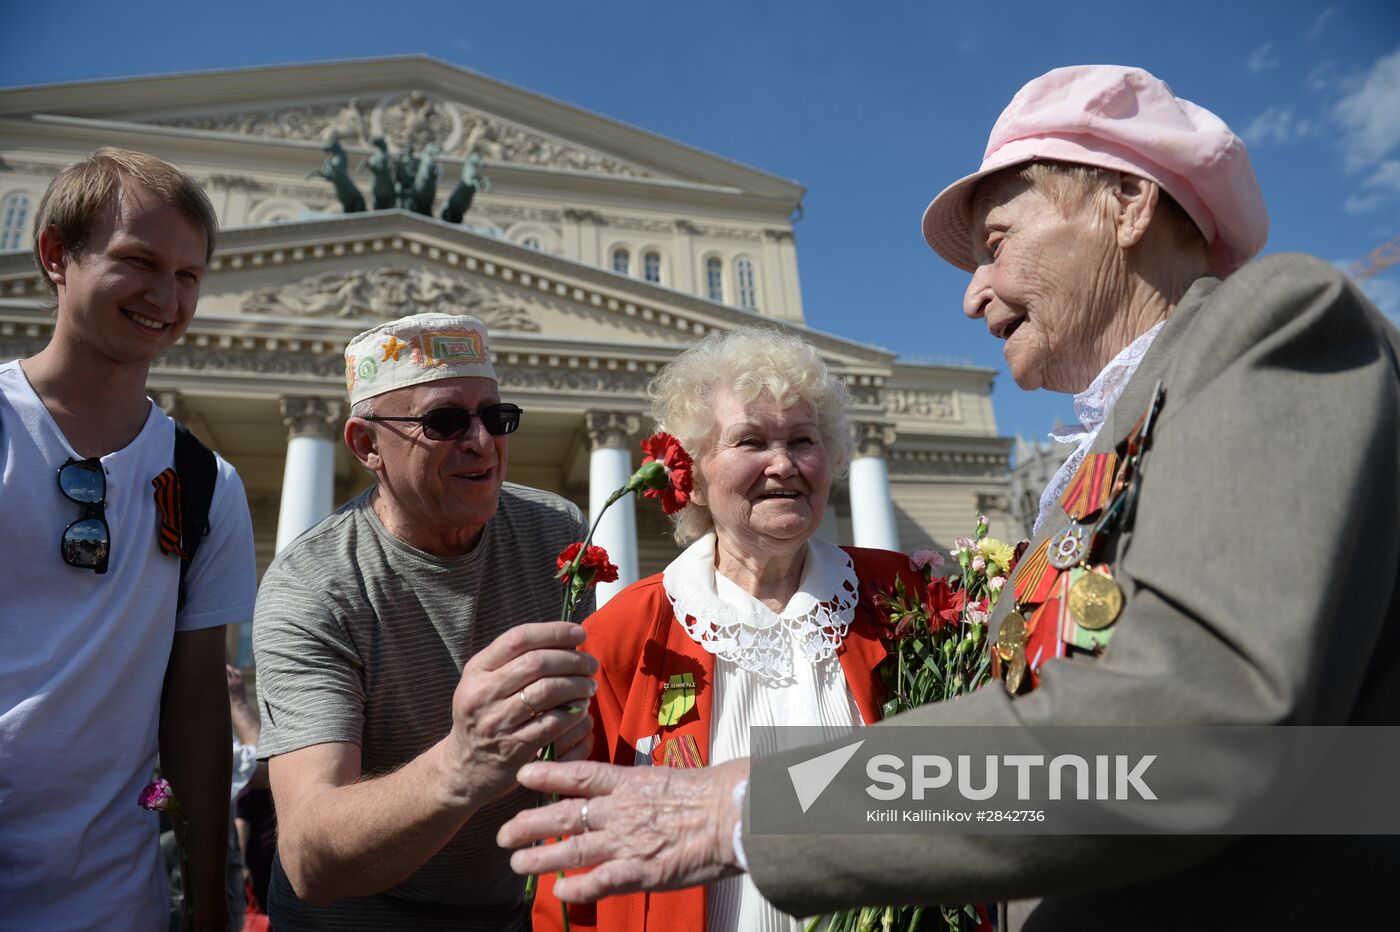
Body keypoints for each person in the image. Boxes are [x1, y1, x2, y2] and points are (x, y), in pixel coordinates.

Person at [499, 64, 1400, 930]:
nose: (973, 298)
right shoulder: (1111, 447)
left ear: (1127, 204)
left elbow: (1196, 732)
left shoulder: (1270, 325)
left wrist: (750, 804)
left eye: (998, 245)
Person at [535, 328, 971, 932]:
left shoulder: (907, 600)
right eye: (750, 441)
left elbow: (987, 778)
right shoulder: (625, 635)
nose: (784, 464)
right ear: (695, 471)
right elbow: (572, 865)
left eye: (803, 440)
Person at [252, 312, 598, 931]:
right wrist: (464, 764)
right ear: (366, 445)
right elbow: (310, 857)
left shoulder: (559, 533)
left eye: (496, 417)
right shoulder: (313, 584)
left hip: (510, 912)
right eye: (444, 421)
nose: (481, 442)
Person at [0, 147, 257, 931]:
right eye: (138, 262)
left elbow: (196, 707)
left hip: (113, 900)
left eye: (188, 276)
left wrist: (211, 900)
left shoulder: (207, 481)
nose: (165, 296)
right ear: (55, 255)